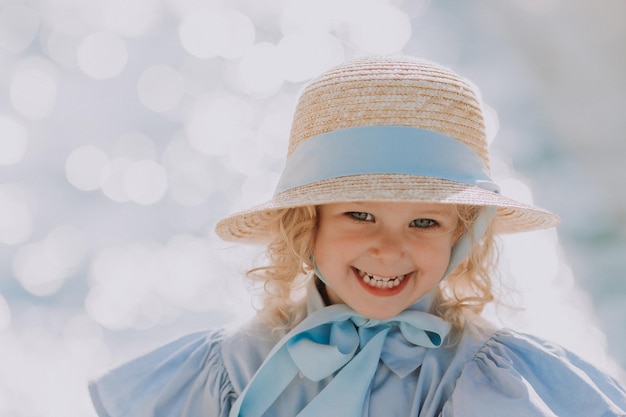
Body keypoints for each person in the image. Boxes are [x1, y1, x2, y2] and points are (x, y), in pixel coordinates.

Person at [89, 55, 626, 416]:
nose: (389, 249)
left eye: (424, 222)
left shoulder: (483, 375)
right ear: (309, 223)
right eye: (359, 215)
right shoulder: (234, 366)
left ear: (462, 236)